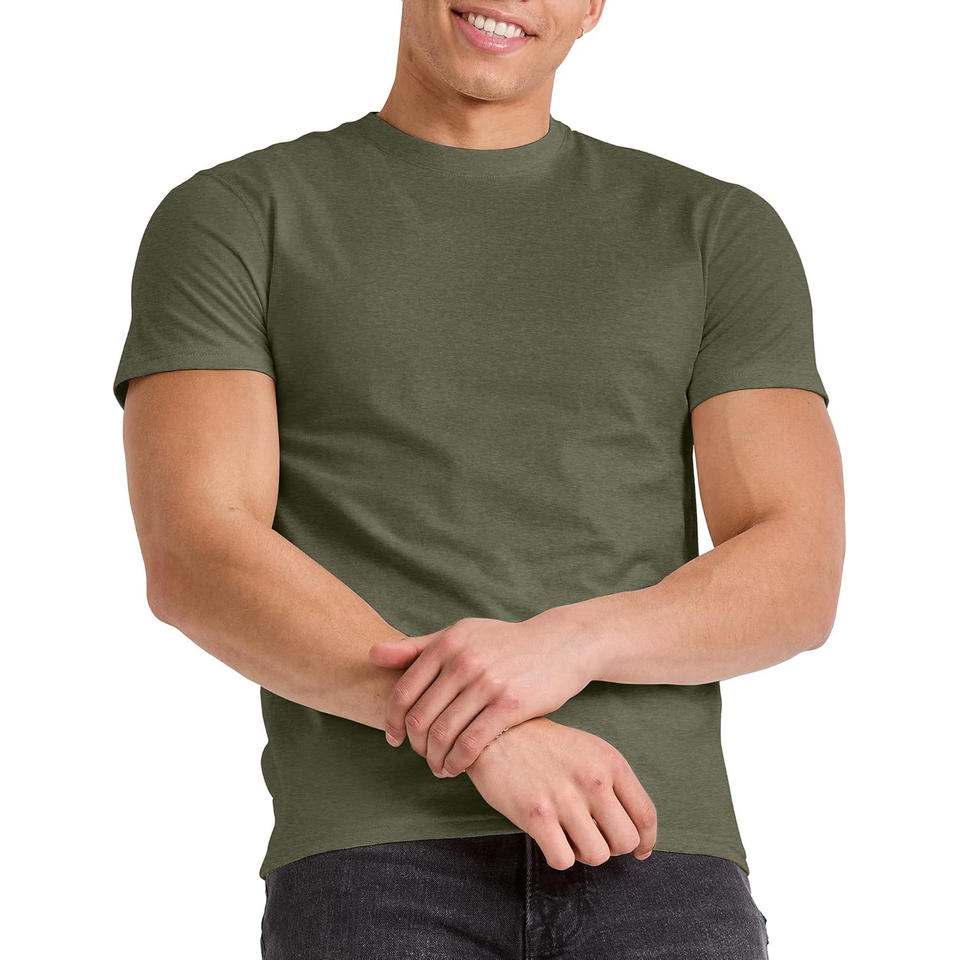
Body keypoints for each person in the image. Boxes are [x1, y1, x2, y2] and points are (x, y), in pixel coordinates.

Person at [112, 1, 844, 957]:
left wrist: (569, 643)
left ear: (593, 6)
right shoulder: (239, 215)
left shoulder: (714, 230)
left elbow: (797, 571)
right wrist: (489, 736)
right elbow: (195, 551)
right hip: (373, 862)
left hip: (655, 846)